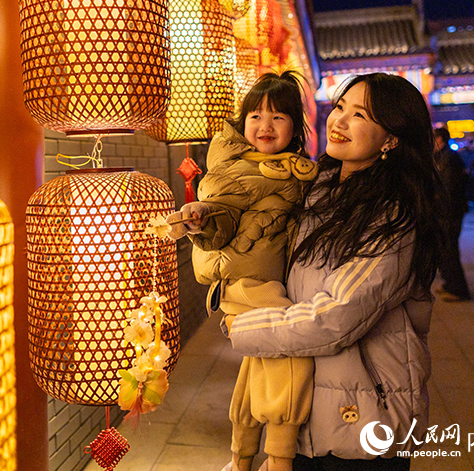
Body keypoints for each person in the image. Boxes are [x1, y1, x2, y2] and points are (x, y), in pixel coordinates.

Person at [223, 73, 444, 470]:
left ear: (391, 139)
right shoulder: (319, 186)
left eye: (358, 115)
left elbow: (336, 317)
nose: (338, 121)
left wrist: (243, 328)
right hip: (310, 407)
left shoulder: (391, 215)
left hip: (364, 420)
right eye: (340, 107)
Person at [166, 72, 317, 471]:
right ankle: (280, 459)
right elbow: (223, 212)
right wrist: (200, 217)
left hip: (257, 280)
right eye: (256, 116)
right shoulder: (238, 167)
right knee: (291, 358)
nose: (265, 126)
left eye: (278, 117)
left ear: (295, 126)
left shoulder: (288, 167)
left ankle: (240, 457)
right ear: (242, 122)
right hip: (247, 285)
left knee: (258, 370)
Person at [433, 128, 472, 301]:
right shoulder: (442, 156)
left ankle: (458, 289)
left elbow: (448, 188)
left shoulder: (449, 158)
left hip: (449, 211)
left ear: (439, 139)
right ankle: (449, 283)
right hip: (444, 210)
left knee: (449, 249)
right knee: (443, 249)